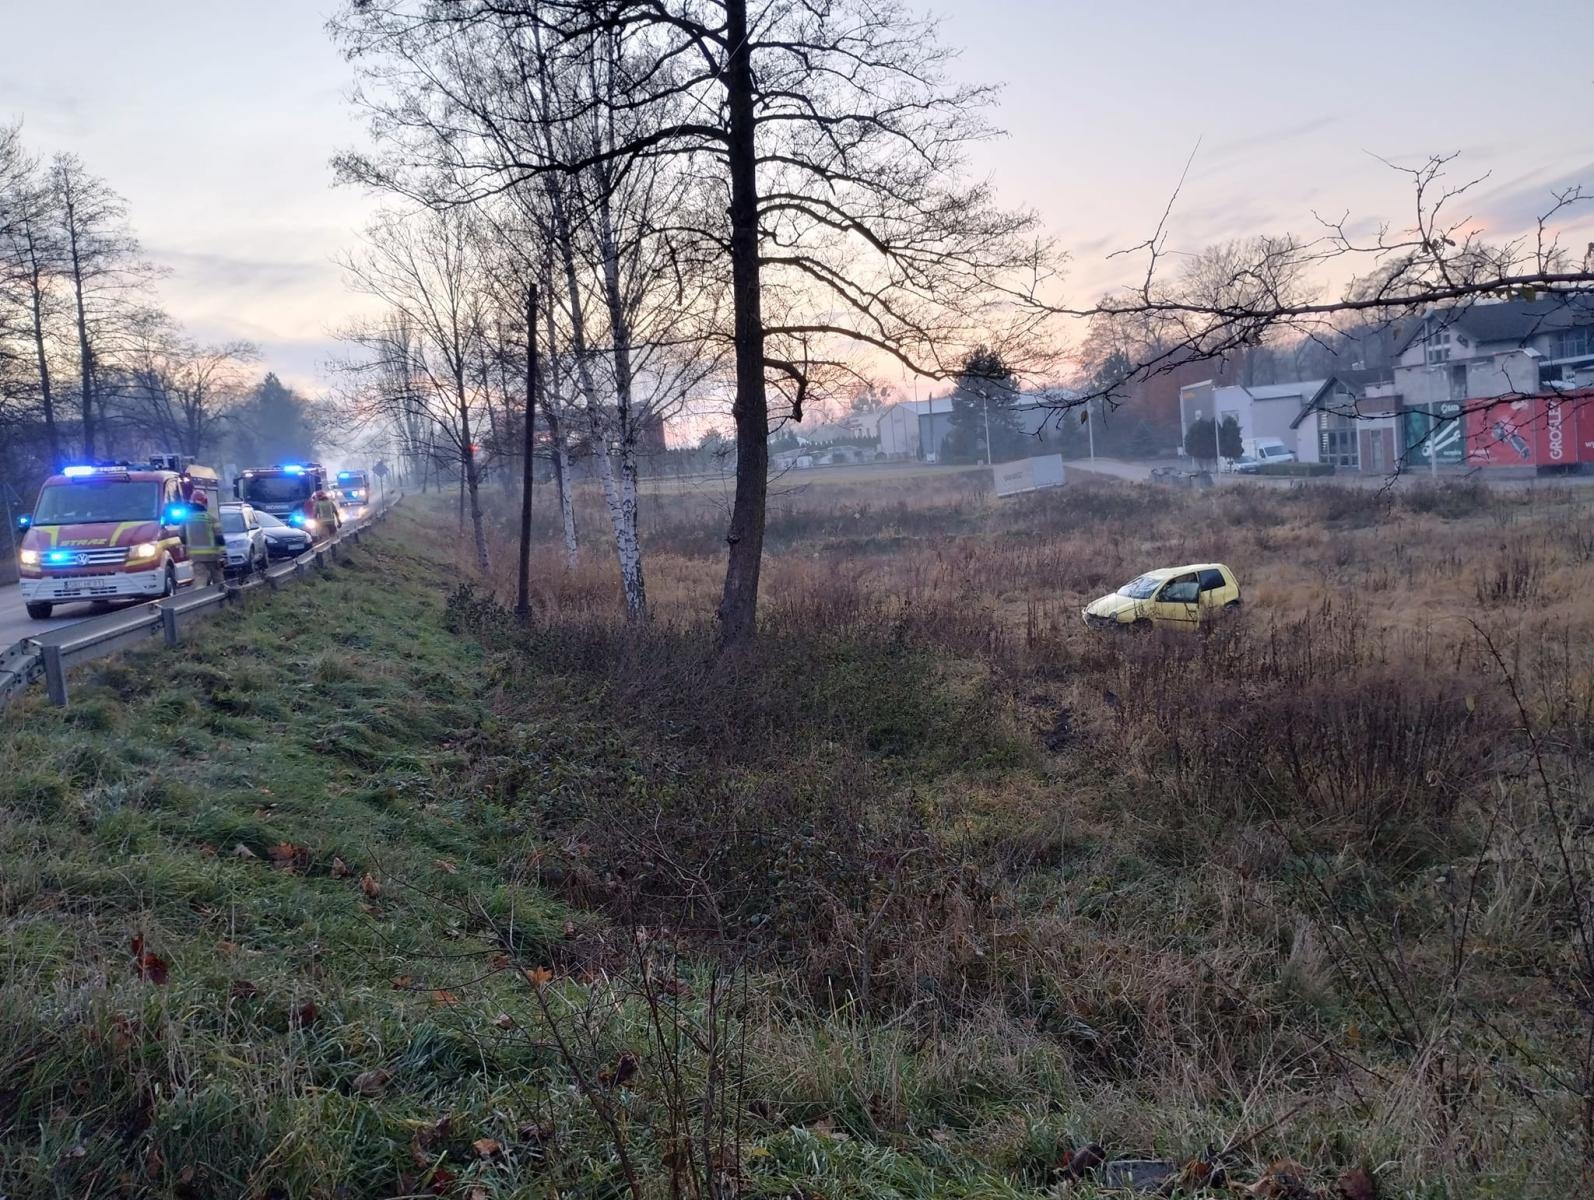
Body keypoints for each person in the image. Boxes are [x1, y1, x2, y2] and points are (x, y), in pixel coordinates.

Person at [184, 490, 224, 587]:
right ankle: (224, 600)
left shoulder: (186, 519)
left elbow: (181, 536)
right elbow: (219, 538)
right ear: (204, 503)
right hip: (213, 556)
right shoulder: (211, 518)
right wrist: (223, 555)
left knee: (200, 581)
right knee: (219, 581)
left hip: (196, 557)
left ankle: (202, 599)